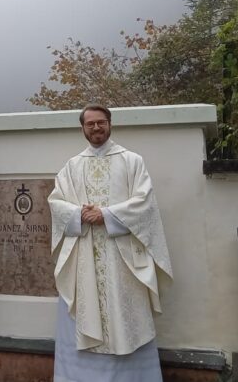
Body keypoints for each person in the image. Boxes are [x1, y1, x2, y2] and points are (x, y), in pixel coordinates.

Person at [48, 105, 174, 382]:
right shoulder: (72, 166)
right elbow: (56, 203)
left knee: (124, 321)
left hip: (121, 259)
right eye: (90, 123)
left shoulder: (132, 161)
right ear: (82, 128)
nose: (96, 128)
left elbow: (145, 204)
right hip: (83, 257)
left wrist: (106, 215)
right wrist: (79, 214)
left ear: (110, 123)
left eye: (101, 122)